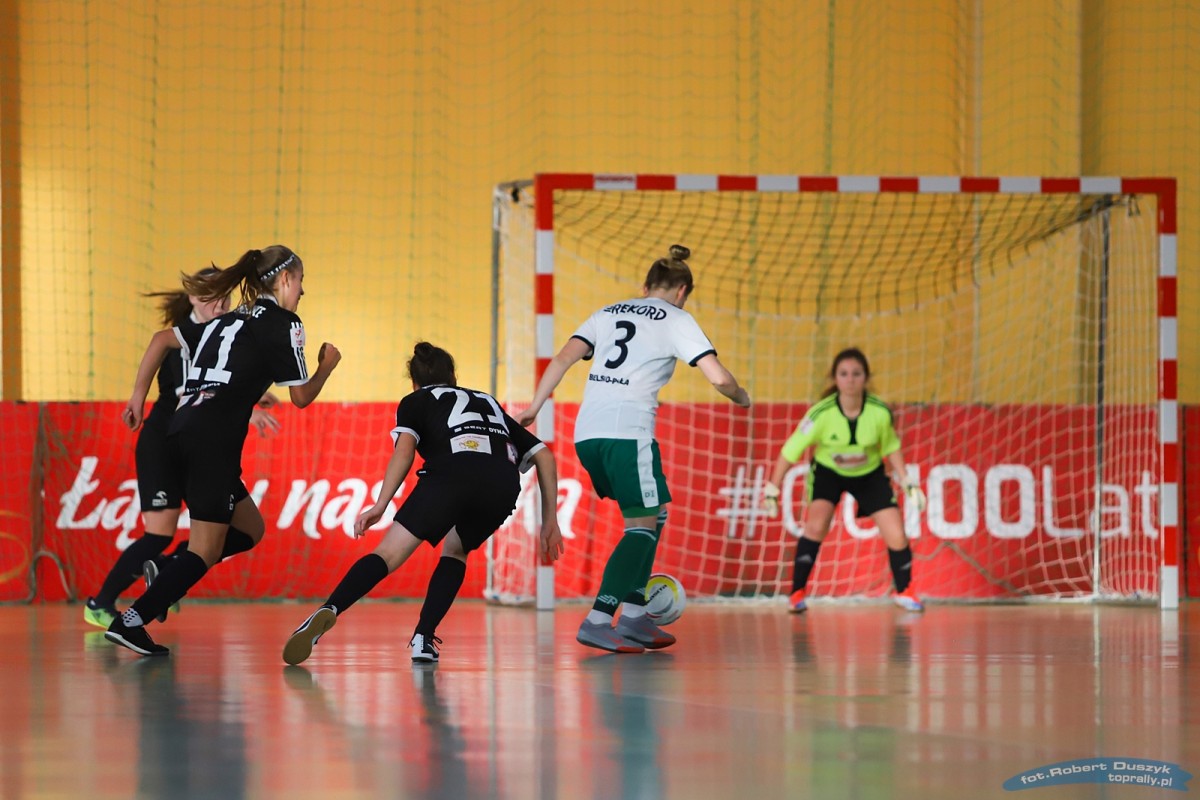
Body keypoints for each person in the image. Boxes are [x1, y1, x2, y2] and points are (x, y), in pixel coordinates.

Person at [105, 245, 341, 656]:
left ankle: (166, 569)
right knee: (205, 549)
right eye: (301, 281)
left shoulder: (228, 319)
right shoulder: (283, 323)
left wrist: (137, 397)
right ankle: (132, 620)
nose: (302, 291)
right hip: (212, 442)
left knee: (251, 529)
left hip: (180, 432)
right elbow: (301, 397)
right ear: (286, 279)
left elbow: (162, 339)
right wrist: (326, 366)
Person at [517, 244, 751, 653]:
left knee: (655, 514)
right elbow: (718, 378)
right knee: (640, 528)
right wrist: (742, 396)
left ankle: (635, 614)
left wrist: (534, 407)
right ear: (682, 291)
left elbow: (562, 359)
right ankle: (599, 618)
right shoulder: (678, 319)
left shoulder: (607, 313)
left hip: (588, 434)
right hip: (628, 432)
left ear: (645, 286)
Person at [282, 342, 563, 666]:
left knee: (387, 555)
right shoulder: (487, 400)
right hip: (501, 484)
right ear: (453, 375)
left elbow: (404, 453)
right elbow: (543, 455)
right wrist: (549, 521)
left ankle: (329, 608)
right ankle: (424, 639)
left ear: (415, 382)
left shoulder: (415, 401)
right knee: (455, 550)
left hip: (450, 475)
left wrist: (380, 504)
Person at [83, 269, 281, 629]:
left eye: (224, 297)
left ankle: (168, 571)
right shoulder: (185, 338)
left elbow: (219, 384)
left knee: (239, 531)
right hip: (165, 444)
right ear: (191, 298)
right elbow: (192, 399)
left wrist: (251, 394)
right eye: (209, 297)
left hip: (195, 445)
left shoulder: (217, 332)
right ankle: (103, 603)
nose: (219, 305)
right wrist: (246, 409)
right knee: (160, 534)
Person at [761, 347, 927, 613]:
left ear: (866, 378)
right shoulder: (820, 414)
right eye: (844, 374)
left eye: (856, 374)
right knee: (816, 526)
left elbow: (891, 447)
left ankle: (905, 590)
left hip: (869, 475)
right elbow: (790, 450)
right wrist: (772, 488)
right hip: (829, 474)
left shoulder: (879, 412)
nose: (850, 380)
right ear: (835, 378)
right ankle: (797, 593)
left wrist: (908, 482)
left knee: (897, 533)